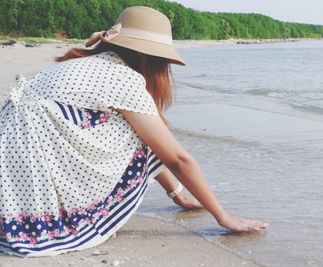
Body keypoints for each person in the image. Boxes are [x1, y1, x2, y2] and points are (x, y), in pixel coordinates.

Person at [0, 6, 268, 257]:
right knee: (138, 130)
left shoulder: (69, 65)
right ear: (151, 57)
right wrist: (223, 216)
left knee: (136, 128)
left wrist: (176, 194)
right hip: (35, 197)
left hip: (9, 185)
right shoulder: (123, 78)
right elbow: (176, 157)